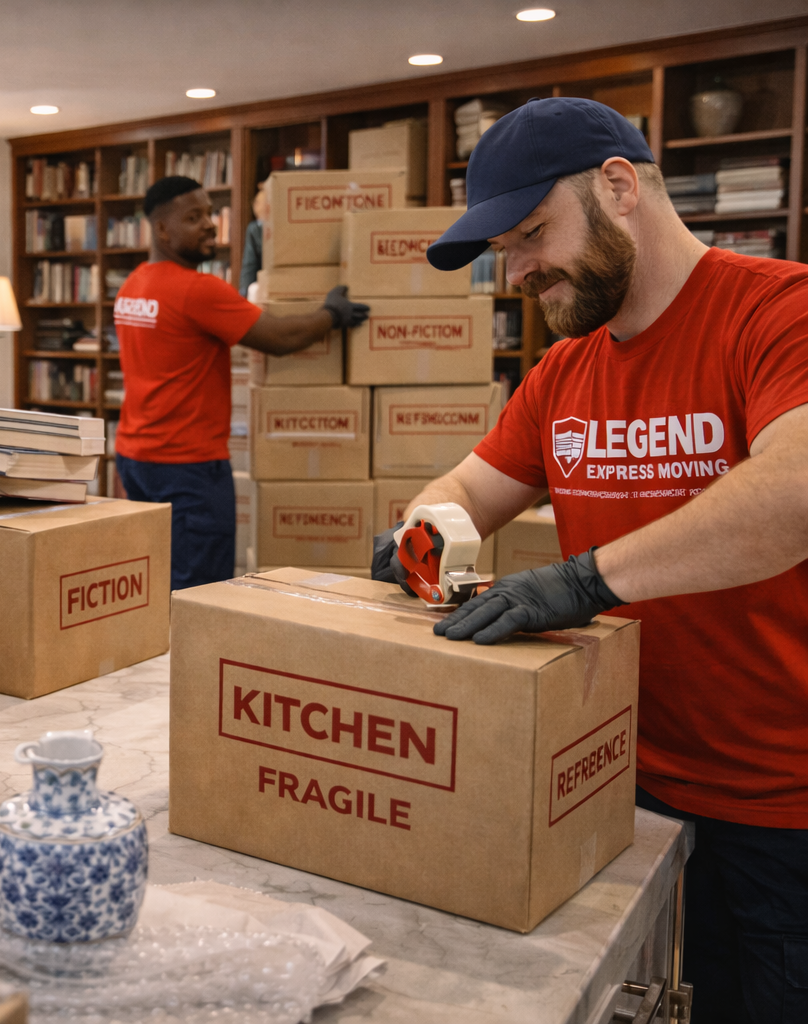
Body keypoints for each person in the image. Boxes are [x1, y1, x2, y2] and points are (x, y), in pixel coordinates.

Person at [374, 97, 808, 1021]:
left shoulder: (781, 311)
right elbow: (464, 489)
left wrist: (583, 581)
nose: (520, 270)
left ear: (618, 188)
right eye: (507, 251)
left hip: (783, 803)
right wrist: (424, 532)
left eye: (532, 232)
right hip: (618, 781)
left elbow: (797, 492)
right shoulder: (564, 373)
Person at [113, 175, 370, 589]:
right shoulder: (196, 290)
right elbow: (278, 338)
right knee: (201, 588)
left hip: (135, 457)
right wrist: (332, 314)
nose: (210, 225)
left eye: (210, 214)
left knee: (154, 573)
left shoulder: (132, 286)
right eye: (194, 217)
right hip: (188, 467)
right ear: (162, 229)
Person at [237, 179, 270, 297]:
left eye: (257, 202)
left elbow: (249, 266)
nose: (254, 205)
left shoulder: (256, 228)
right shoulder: (255, 228)